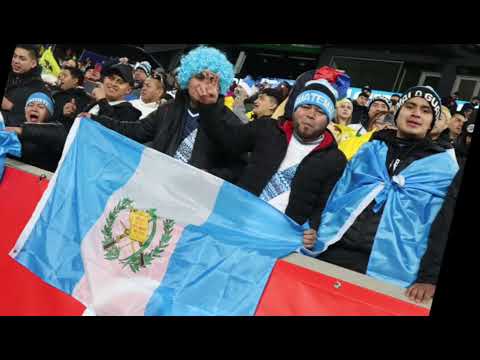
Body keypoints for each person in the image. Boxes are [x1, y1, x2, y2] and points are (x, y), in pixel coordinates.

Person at [310, 86, 459, 304]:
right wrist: (315, 228)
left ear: (432, 122)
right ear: (398, 112)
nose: (416, 113)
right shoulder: (370, 148)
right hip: (334, 248)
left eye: (426, 110)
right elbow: (337, 194)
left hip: (393, 270)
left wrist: (430, 277)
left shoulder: (444, 168)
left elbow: (441, 226)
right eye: (410, 106)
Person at [196, 68, 349, 249]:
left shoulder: (336, 159)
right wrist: (210, 106)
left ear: (329, 118)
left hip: (279, 241)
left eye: (320, 111)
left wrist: (313, 230)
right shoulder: (267, 128)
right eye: (306, 107)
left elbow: (324, 205)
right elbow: (227, 140)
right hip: (235, 222)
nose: (310, 114)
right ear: (295, 108)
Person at [85, 46, 247, 183]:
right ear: (187, 78)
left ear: (220, 86)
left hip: (193, 201)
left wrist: (207, 177)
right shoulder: (169, 109)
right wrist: (96, 120)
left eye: (212, 80)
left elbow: (239, 168)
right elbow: (136, 130)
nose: (203, 85)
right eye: (199, 77)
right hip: (155, 185)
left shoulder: (231, 122)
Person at [4, 92, 66, 172]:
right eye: (30, 105)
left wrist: (22, 131)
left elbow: (59, 136)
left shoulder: (57, 130)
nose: (34, 109)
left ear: (49, 114)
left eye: (41, 107)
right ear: (25, 110)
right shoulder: (15, 125)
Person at [2, 44, 48, 126]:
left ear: (33, 63)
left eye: (22, 58)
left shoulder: (39, 88)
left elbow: (37, 120)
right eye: (14, 56)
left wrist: (11, 106)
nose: (16, 61)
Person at [52, 66, 91, 132]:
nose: (60, 78)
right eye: (60, 76)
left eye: (65, 75)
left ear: (75, 80)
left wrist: (67, 114)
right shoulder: (56, 92)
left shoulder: (81, 98)